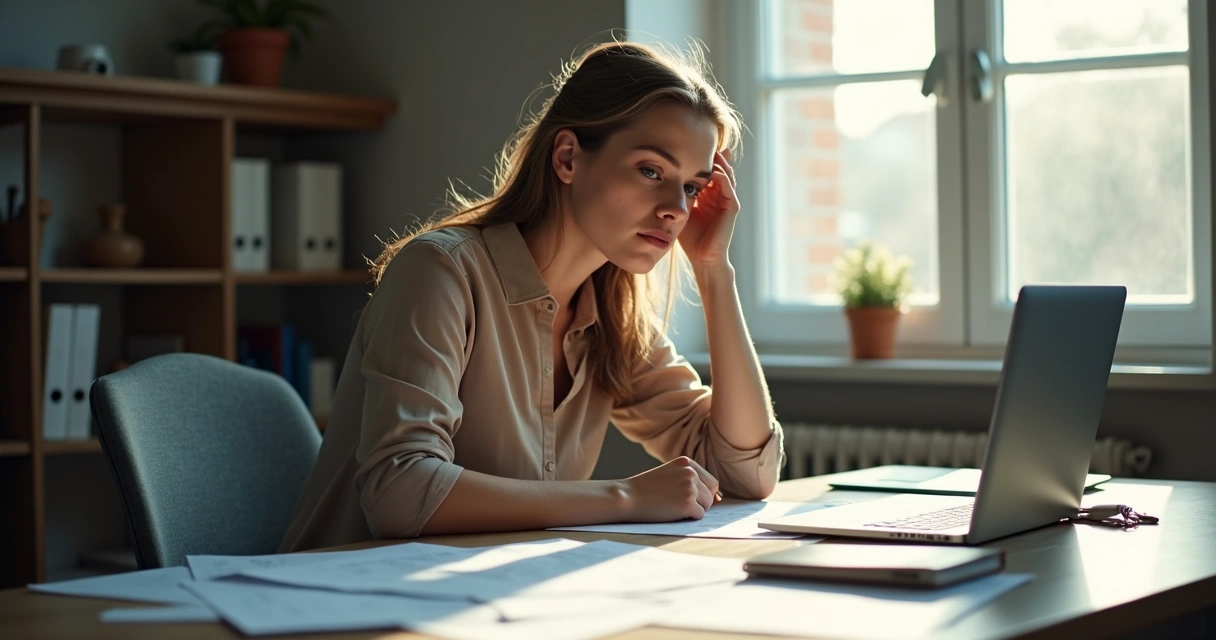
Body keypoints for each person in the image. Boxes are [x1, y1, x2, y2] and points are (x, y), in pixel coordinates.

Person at [279, 40, 784, 553]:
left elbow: (746, 473)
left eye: (693, 188)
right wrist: (625, 498)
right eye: (651, 171)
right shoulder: (441, 272)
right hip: (342, 604)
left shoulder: (614, 313)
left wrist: (713, 269)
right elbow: (400, 492)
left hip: (488, 601)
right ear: (567, 157)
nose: (676, 208)